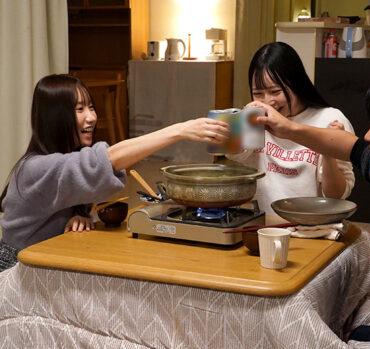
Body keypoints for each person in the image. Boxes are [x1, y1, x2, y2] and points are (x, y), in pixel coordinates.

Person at [0, 74, 229, 271]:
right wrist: (180, 130)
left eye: (91, 107)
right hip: (15, 271)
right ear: (55, 117)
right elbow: (106, 160)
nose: (91, 117)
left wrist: (81, 214)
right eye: (79, 109)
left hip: (43, 264)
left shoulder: (66, 159)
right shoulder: (33, 168)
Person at [254, 67, 370, 346]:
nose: (367, 136)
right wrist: (287, 128)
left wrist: (369, 337)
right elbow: (350, 146)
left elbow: (338, 186)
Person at [227, 42, 355, 214]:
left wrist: (327, 151)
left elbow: (336, 195)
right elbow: (235, 154)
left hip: (311, 224)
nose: (267, 101)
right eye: (258, 93)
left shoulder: (330, 120)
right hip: (264, 223)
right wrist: (232, 128)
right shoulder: (255, 118)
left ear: (296, 84)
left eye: (275, 92)